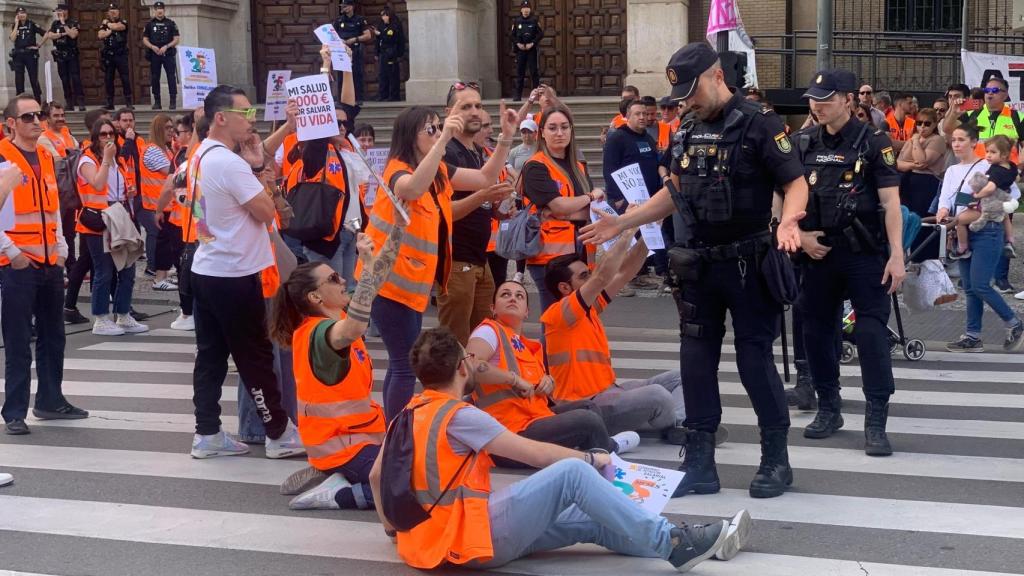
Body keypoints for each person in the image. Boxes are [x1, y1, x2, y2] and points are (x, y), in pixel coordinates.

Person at [581, 42, 809, 499]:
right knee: (696, 361)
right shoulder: (687, 128)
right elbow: (674, 192)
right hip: (698, 266)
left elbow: (796, 182)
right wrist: (623, 222)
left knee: (754, 360)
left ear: (717, 76)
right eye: (681, 96)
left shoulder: (760, 123)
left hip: (748, 263)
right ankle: (700, 461)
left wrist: (789, 221)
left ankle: (775, 459)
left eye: (692, 92)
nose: (687, 102)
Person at [369, 327, 752, 572]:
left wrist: (393, 530)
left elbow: (376, 476)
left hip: (429, 541)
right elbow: (536, 454)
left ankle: (694, 543)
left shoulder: (408, 412)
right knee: (573, 474)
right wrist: (592, 458)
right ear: (462, 369)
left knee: (594, 518)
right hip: (469, 542)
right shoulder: (459, 415)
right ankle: (674, 542)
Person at [362, 104, 517, 421]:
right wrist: (445, 138)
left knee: (401, 364)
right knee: (405, 366)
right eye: (430, 129)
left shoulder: (439, 170)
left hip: (411, 284)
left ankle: (395, 428)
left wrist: (505, 138)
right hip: (387, 282)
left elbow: (484, 177)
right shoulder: (397, 169)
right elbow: (412, 188)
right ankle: (399, 432)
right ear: (411, 136)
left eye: (438, 127)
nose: (437, 133)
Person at [187, 84, 304, 459]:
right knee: (255, 357)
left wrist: (253, 166)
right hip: (234, 273)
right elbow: (266, 212)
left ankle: (207, 432)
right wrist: (257, 173)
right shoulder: (228, 162)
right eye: (245, 113)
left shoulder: (201, 154)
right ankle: (278, 433)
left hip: (208, 267)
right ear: (221, 118)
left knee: (210, 356)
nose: (251, 120)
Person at [793, 69, 905, 456]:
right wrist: (798, 236)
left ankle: (876, 420)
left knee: (871, 334)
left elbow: (891, 203)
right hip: (818, 252)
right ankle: (829, 407)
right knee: (817, 331)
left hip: (863, 252)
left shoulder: (874, 141)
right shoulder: (803, 141)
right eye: (813, 99)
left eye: (825, 99)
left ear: (848, 99)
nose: (817, 106)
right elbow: (784, 196)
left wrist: (897, 254)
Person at [268, 212, 402, 508]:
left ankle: (333, 473)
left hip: (358, 439)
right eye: (332, 279)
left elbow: (377, 280)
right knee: (410, 488)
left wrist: (399, 229)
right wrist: (366, 268)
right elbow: (354, 328)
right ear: (315, 298)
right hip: (343, 447)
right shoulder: (321, 332)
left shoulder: (336, 315)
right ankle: (338, 493)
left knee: (426, 466)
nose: (342, 279)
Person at [466, 280, 640, 465]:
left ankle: (593, 449)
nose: (512, 298)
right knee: (587, 420)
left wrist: (548, 383)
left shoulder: (525, 345)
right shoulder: (489, 331)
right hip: (509, 435)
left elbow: (537, 389)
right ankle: (609, 452)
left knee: (588, 408)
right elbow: (470, 365)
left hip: (533, 419)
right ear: (493, 308)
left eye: (519, 296)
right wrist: (514, 379)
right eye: (505, 294)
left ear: (527, 311)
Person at [542, 231, 692, 443]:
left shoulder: (589, 308)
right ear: (564, 288)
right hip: (586, 406)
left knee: (683, 376)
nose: (591, 278)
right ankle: (674, 423)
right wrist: (627, 229)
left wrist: (646, 230)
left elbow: (625, 273)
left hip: (610, 393)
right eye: (584, 276)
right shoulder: (560, 313)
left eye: (589, 273)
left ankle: (674, 423)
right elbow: (602, 276)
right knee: (657, 394)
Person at [1, 94, 86, 436]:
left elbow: (53, 208)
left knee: (54, 337)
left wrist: (62, 248)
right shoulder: (2, 158)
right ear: (11, 123)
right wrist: (12, 252)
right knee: (19, 340)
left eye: (38, 115)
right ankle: (14, 411)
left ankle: (50, 400)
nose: (37, 121)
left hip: (50, 260)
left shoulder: (46, 156)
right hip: (18, 264)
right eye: (28, 117)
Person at [436, 83, 517, 344]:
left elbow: (481, 190)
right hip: (456, 261)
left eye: (478, 106)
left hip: (480, 260)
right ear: (449, 112)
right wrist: (484, 196)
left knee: (483, 340)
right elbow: (444, 213)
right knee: (455, 344)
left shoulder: (476, 151)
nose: (474, 112)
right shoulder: (446, 152)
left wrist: (496, 210)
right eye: (466, 106)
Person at [937, 125, 1024, 352]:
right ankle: (973, 335)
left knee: (980, 284)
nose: (956, 144)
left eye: (961, 139)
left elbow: (1012, 195)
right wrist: (943, 211)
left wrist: (985, 204)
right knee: (969, 287)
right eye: (954, 140)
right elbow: (945, 199)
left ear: (974, 142)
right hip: (961, 230)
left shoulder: (989, 165)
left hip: (987, 229)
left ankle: (1014, 323)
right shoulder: (952, 170)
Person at [522, 105, 604, 315]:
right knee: (556, 316)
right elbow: (559, 206)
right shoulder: (535, 166)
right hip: (549, 256)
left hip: (579, 251)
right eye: (552, 128)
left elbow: (585, 211)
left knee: (578, 313)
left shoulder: (578, 166)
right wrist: (589, 197)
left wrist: (571, 209)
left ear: (571, 130)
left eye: (564, 127)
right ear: (542, 132)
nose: (559, 133)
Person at [75, 118, 148, 337]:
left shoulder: (119, 160)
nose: (108, 138)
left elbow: (122, 188)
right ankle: (101, 318)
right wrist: (106, 160)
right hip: (98, 219)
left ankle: (123, 314)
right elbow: (97, 184)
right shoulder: (87, 159)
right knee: (104, 270)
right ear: (95, 137)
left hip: (119, 214)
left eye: (111, 134)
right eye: (103, 134)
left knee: (128, 267)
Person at [949, 136, 1019, 260]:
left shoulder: (997, 171)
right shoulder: (1011, 166)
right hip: (1002, 202)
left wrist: (976, 195)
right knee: (1006, 218)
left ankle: (962, 248)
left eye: (993, 152)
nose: (988, 155)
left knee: (959, 220)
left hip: (988, 204)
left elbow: (990, 188)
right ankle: (1009, 241)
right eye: (987, 151)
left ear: (1004, 155)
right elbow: (1016, 177)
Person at [603, 98, 661, 212]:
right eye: (637, 114)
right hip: (628, 203)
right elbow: (609, 169)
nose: (642, 117)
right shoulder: (617, 138)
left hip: (650, 200)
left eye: (644, 114)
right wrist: (617, 199)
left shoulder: (648, 138)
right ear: (628, 116)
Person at [141, 113, 177, 290]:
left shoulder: (165, 149)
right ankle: (159, 278)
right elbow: (173, 174)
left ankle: (163, 274)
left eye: (172, 128)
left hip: (167, 205)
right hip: (160, 205)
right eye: (167, 128)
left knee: (168, 242)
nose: (171, 131)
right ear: (158, 129)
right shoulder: (153, 150)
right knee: (163, 243)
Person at [896, 107, 946, 217]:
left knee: (920, 215)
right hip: (907, 180)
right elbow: (898, 163)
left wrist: (916, 142)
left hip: (927, 182)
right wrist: (913, 165)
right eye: (919, 123)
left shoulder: (937, 139)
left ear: (934, 124)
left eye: (927, 123)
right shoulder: (912, 139)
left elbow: (921, 160)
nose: (922, 126)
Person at [142, 1, 180, 110]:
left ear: (164, 10)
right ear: (154, 10)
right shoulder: (149, 24)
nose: (160, 11)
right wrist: (152, 47)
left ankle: (172, 101)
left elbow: (176, 39)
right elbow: (145, 39)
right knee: (155, 77)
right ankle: (157, 102)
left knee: (171, 77)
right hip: (155, 54)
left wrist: (166, 46)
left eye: (161, 9)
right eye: (157, 9)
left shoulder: (171, 23)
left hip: (167, 54)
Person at [46, 4, 84, 111]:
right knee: (64, 79)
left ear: (65, 11)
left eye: (60, 11)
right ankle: (69, 102)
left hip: (71, 54)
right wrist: (63, 34)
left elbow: (73, 35)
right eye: (57, 11)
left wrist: (64, 24)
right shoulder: (55, 23)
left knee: (75, 78)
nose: (58, 13)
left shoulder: (73, 22)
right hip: (60, 55)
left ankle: (81, 102)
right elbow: (50, 35)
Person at [334, 0, 371, 104]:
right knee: (341, 75)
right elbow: (333, 35)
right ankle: (341, 100)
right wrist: (339, 41)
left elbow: (368, 35)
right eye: (342, 6)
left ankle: (358, 98)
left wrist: (355, 39)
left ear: (351, 7)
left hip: (355, 50)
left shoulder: (360, 19)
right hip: (342, 50)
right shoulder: (339, 20)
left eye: (345, 6)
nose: (343, 8)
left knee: (356, 74)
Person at [98, 3, 132, 110]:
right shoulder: (104, 24)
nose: (113, 13)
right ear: (108, 12)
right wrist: (108, 31)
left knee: (125, 78)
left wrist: (108, 25)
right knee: (108, 79)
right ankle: (110, 103)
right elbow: (100, 35)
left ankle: (129, 102)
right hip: (109, 56)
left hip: (120, 55)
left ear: (118, 12)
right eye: (111, 11)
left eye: (115, 11)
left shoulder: (123, 21)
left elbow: (119, 27)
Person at [9, 7, 45, 102]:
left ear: (26, 14)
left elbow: (45, 33)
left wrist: (39, 45)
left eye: (23, 12)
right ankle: (20, 101)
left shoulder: (32, 24)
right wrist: (16, 24)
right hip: (18, 55)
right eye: (20, 13)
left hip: (30, 54)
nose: (22, 15)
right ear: (17, 15)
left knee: (33, 78)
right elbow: (12, 38)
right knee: (19, 79)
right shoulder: (15, 25)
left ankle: (38, 100)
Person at [510, 0, 542, 101]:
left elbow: (540, 34)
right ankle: (517, 95)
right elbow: (512, 35)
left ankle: (537, 95)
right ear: (521, 10)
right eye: (524, 8)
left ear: (530, 9)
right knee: (520, 73)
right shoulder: (517, 21)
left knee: (534, 72)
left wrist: (532, 43)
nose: (526, 10)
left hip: (531, 50)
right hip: (521, 50)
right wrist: (518, 43)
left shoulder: (534, 20)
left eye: (527, 8)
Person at [373, 7, 404, 102]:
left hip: (391, 53)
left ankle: (394, 95)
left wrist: (380, 34)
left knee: (392, 75)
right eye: (382, 16)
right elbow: (378, 41)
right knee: (382, 74)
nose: (383, 17)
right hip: (383, 53)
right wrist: (376, 52)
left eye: (385, 15)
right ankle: (383, 94)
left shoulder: (394, 26)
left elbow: (390, 38)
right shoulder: (381, 26)